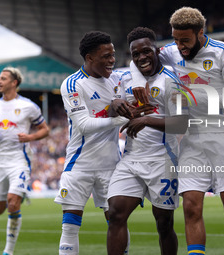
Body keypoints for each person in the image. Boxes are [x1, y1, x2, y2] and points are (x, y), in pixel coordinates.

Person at [130, 7, 224, 255]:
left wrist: (193, 97)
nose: (180, 46)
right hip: (190, 139)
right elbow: (138, 59)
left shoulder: (223, 52)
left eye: (185, 40)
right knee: (191, 207)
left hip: (223, 136)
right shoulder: (172, 52)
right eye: (176, 40)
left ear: (200, 32)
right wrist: (136, 83)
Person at [107, 27, 188, 255]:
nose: (141, 57)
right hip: (132, 159)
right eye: (136, 54)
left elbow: (182, 123)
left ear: (156, 50)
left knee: (164, 223)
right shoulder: (124, 79)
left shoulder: (172, 81)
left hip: (163, 160)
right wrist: (115, 106)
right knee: (115, 213)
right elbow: (112, 113)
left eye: (146, 51)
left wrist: (147, 120)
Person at [54, 31, 133, 255]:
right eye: (106, 56)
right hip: (80, 164)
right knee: (70, 226)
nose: (112, 60)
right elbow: (84, 125)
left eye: (113, 55)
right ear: (89, 58)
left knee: (117, 221)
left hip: (111, 165)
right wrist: (120, 118)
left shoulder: (117, 80)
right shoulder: (72, 84)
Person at [0, 67, 50, 255]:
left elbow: (45, 129)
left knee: (12, 203)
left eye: (3, 78)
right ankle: (19, 191)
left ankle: (8, 251)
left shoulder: (28, 106)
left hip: (19, 160)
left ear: (14, 83)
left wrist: (31, 137)